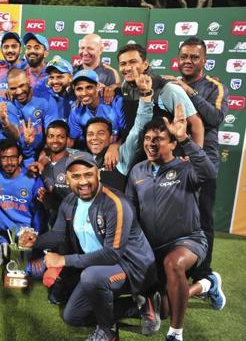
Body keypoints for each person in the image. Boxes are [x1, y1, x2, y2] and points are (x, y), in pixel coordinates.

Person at [28, 151, 157, 341]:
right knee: (73, 316)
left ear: (98, 174)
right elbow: (58, 234)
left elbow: (112, 254)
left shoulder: (115, 203)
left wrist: (63, 260)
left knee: (91, 277)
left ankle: (107, 331)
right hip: (99, 267)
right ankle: (138, 305)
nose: (82, 182)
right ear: (68, 178)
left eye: (88, 175)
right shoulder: (70, 201)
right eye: (76, 176)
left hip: (132, 267)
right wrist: (36, 241)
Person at [126, 105, 215, 341]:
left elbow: (209, 173)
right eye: (147, 139)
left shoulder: (186, 167)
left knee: (173, 263)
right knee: (164, 310)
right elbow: (131, 210)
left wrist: (185, 137)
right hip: (154, 249)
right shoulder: (137, 171)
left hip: (188, 240)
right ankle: (206, 286)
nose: (151, 143)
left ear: (173, 144)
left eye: (159, 139)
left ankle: (176, 333)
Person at [164, 37, 228, 308]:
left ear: (204, 60)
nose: (187, 61)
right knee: (172, 218)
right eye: (184, 56)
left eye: (194, 57)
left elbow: (215, 119)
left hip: (203, 164)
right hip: (174, 162)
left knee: (202, 219)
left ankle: (205, 276)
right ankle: (177, 269)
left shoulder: (213, 86)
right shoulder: (170, 84)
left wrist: (188, 93)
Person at [117, 44, 204, 148]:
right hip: (139, 157)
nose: (127, 68)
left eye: (133, 62)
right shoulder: (125, 86)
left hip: (167, 157)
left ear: (145, 64)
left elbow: (196, 123)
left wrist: (195, 157)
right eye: (123, 64)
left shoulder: (168, 89)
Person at [0, 139, 45, 263]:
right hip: (6, 221)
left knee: (23, 264)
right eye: (4, 158)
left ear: (19, 159)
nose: (9, 162)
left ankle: (6, 241)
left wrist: (36, 236)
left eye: (13, 158)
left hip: (26, 227)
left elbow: (39, 213)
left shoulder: (31, 178)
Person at [0, 68, 59, 164]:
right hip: (21, 154)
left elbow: (51, 133)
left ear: (29, 81)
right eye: (13, 88)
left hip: (44, 151)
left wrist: (44, 158)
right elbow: (16, 134)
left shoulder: (46, 100)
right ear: (8, 88)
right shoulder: (8, 105)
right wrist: (5, 123)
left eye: (22, 85)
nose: (18, 92)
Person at [67, 69, 125, 148]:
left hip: (120, 151)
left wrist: (116, 146)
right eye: (79, 89)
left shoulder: (116, 102)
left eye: (89, 87)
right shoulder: (76, 111)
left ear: (97, 86)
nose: (84, 93)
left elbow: (129, 133)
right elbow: (73, 140)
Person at [0, 32, 27, 99]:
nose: (10, 50)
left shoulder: (28, 68)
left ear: (20, 49)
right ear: (1, 50)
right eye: (6, 47)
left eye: (14, 46)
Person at [22, 32, 49, 96]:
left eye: (37, 48)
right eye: (28, 48)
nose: (32, 51)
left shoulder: (52, 74)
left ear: (46, 53)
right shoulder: (19, 73)